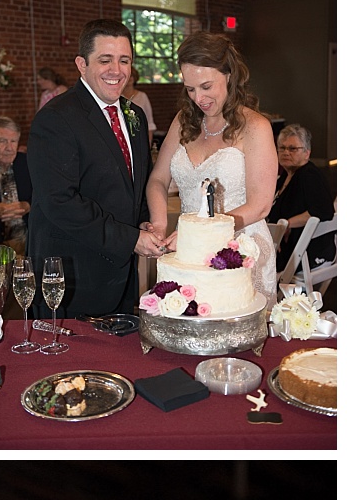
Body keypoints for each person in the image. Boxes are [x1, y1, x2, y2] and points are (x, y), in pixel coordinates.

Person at [26, 19, 158, 315]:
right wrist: (131, 239)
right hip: (72, 277)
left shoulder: (133, 114)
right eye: (105, 60)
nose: (116, 70)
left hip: (121, 275)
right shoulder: (56, 118)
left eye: (124, 60)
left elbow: (135, 182)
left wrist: (146, 221)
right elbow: (59, 201)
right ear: (81, 65)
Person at [145, 31, 278, 307]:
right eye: (190, 89)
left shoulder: (255, 127)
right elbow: (158, 180)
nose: (198, 98)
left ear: (229, 75)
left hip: (238, 250)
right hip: (188, 253)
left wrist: (201, 233)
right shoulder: (183, 121)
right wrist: (159, 224)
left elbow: (261, 205)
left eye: (206, 86)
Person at [270, 124, 337, 274]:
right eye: (282, 148)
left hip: (306, 253)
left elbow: (324, 211)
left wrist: (286, 225)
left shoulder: (309, 176)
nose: (286, 152)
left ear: (307, 153)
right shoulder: (286, 177)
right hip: (292, 248)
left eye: (293, 149)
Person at [126, 67, 157, 144]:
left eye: (132, 76)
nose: (130, 78)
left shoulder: (142, 96)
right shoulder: (117, 97)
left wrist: (149, 141)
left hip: (139, 135)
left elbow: (149, 121)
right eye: (128, 75)